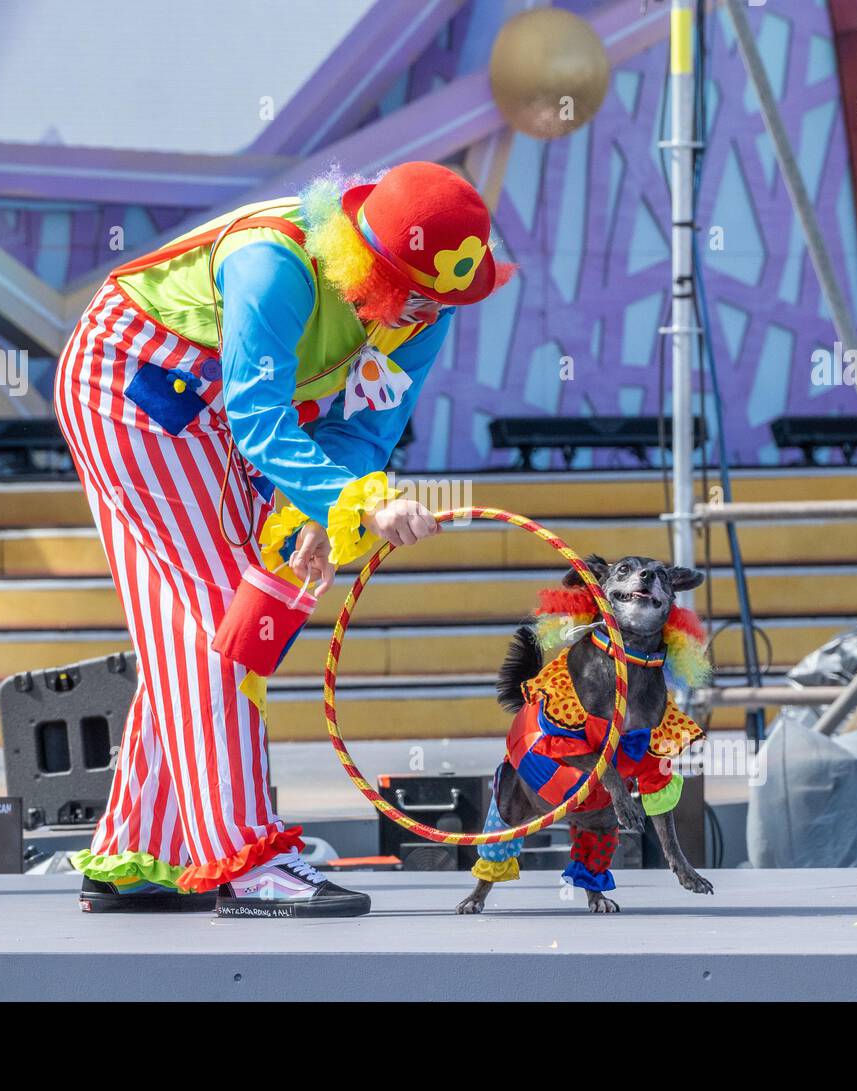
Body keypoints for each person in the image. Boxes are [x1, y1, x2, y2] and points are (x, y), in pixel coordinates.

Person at [55, 161, 513, 917]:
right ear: (374, 263)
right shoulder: (274, 261)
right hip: (135, 385)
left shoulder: (432, 304)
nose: (432, 316)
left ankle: (136, 852)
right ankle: (249, 862)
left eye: (449, 299)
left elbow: (365, 426)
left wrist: (315, 515)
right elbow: (259, 418)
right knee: (224, 618)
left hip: (222, 410)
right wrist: (358, 503)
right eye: (421, 297)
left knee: (202, 628)